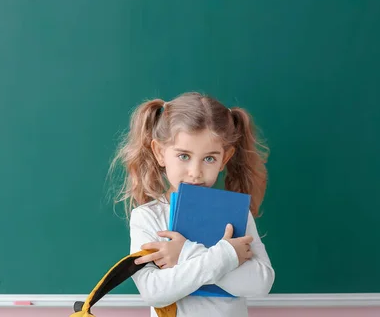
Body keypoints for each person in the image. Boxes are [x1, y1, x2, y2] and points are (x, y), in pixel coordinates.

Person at [109, 91, 275, 317]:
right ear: (159, 153)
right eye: (184, 156)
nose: (196, 173)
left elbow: (261, 284)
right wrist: (226, 256)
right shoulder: (147, 217)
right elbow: (154, 291)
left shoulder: (235, 213)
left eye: (209, 159)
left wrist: (185, 253)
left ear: (224, 159)